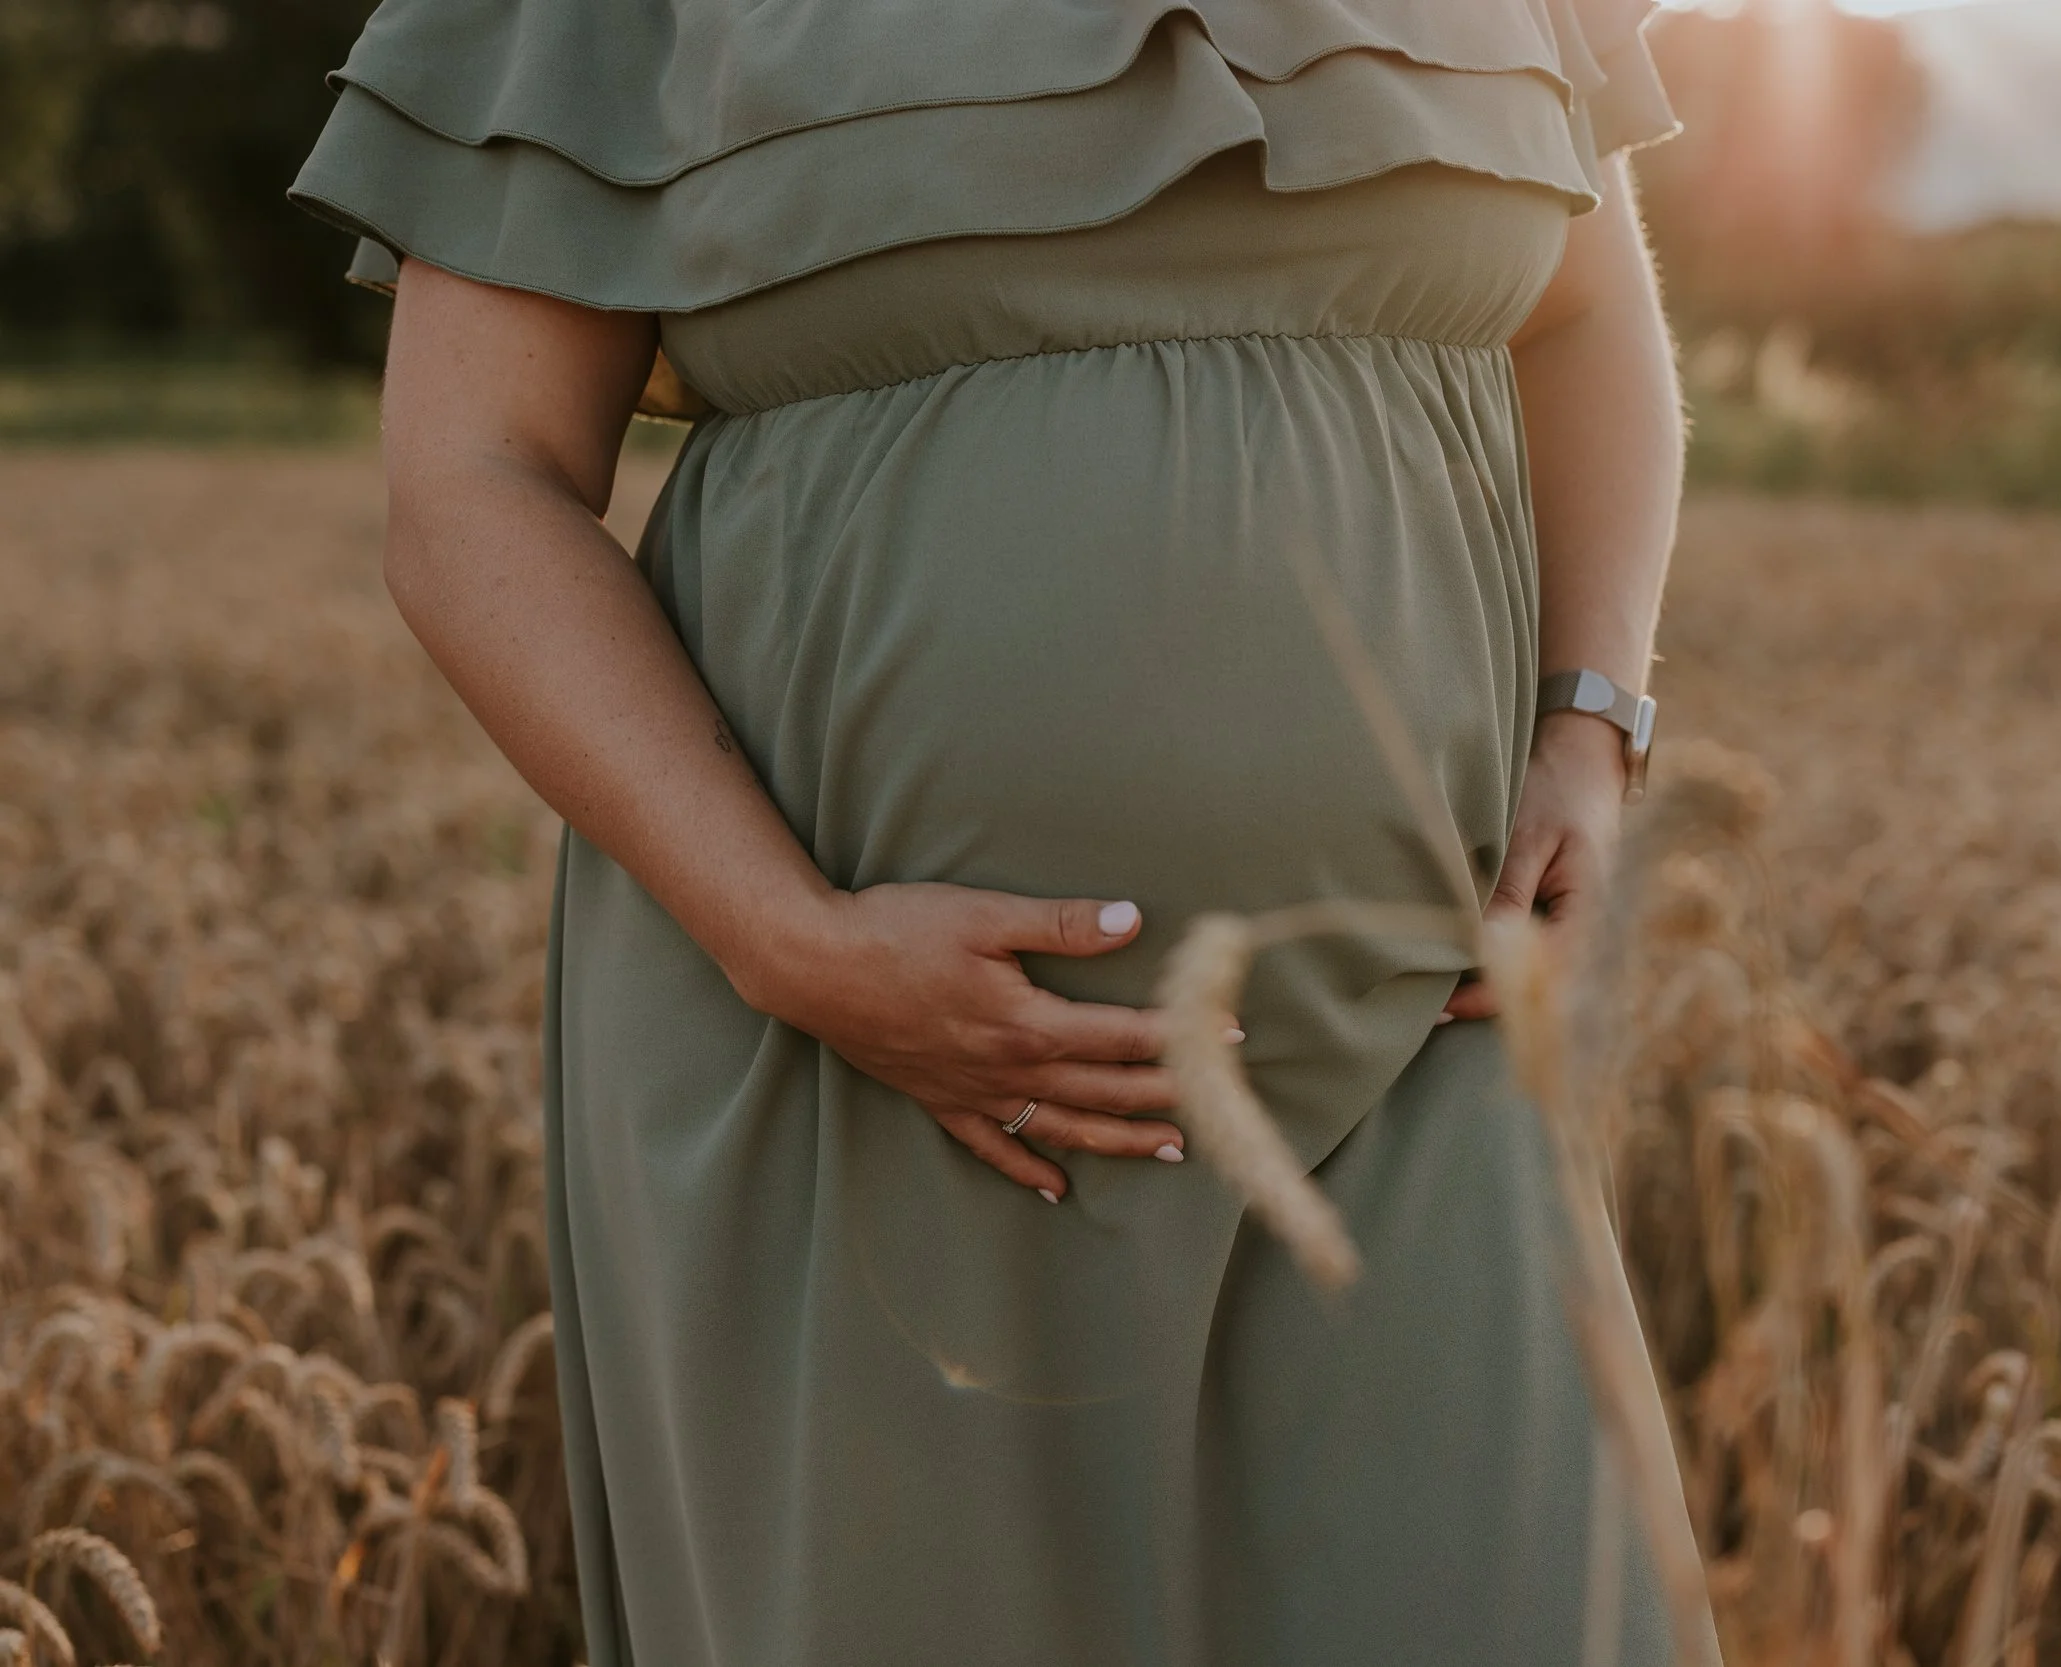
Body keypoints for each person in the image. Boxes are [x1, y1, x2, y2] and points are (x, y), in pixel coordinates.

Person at [291, 1, 1706, 1661]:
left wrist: (1593, 719)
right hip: (889, 1057)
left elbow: (1589, 306)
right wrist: (789, 936)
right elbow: (472, 479)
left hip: (1431, 1025)